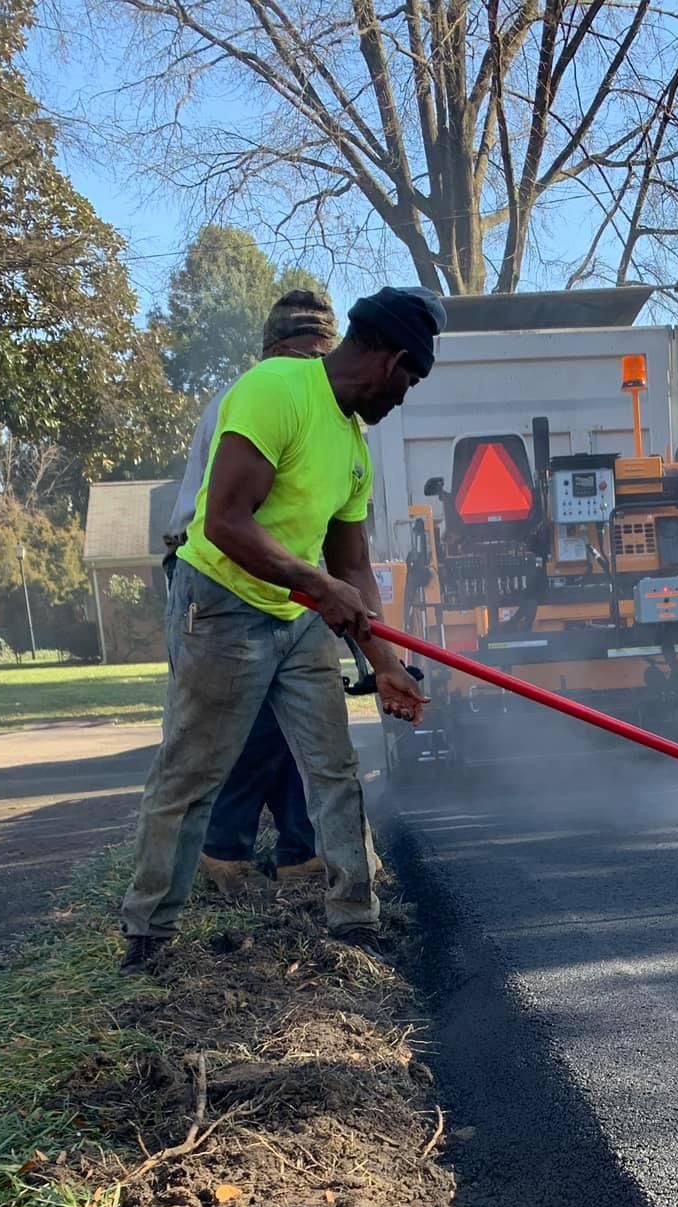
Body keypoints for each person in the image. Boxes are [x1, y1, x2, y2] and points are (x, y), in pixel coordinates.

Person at [120, 287, 441, 970]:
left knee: (334, 768)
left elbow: (353, 564)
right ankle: (147, 935)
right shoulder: (276, 391)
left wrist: (383, 662)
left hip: (295, 617)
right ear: (391, 360)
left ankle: (356, 922)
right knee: (193, 771)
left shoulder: (355, 449)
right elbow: (225, 522)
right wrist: (320, 586)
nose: (404, 399)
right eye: (410, 380)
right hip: (223, 604)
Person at [161, 287, 338, 889]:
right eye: (305, 355)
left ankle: (301, 852)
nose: (313, 369)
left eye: (320, 357)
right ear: (274, 353)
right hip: (220, 573)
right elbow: (232, 520)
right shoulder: (256, 399)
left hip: (286, 577)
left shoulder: (317, 406)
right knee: (250, 720)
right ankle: (222, 852)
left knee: (297, 723)